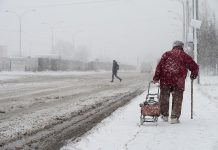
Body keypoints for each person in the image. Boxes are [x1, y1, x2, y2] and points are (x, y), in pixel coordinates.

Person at [153, 41, 199, 124]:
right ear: (182, 47)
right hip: (178, 81)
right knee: (177, 98)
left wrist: (156, 78)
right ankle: (174, 117)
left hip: (165, 80)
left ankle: (164, 115)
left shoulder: (166, 54)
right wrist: (193, 75)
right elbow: (194, 67)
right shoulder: (184, 56)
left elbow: (159, 67)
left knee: (164, 98)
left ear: (173, 46)